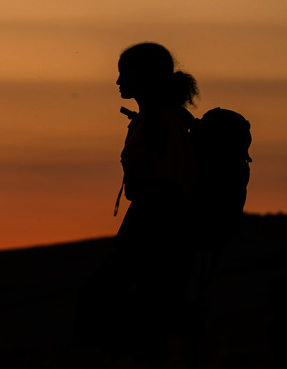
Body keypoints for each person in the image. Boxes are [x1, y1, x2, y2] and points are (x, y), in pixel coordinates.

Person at [77, 42, 199, 358]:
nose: (118, 81)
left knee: (120, 308)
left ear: (144, 76)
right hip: (150, 230)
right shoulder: (156, 119)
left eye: (124, 73)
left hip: (156, 233)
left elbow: (173, 181)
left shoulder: (164, 122)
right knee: (143, 314)